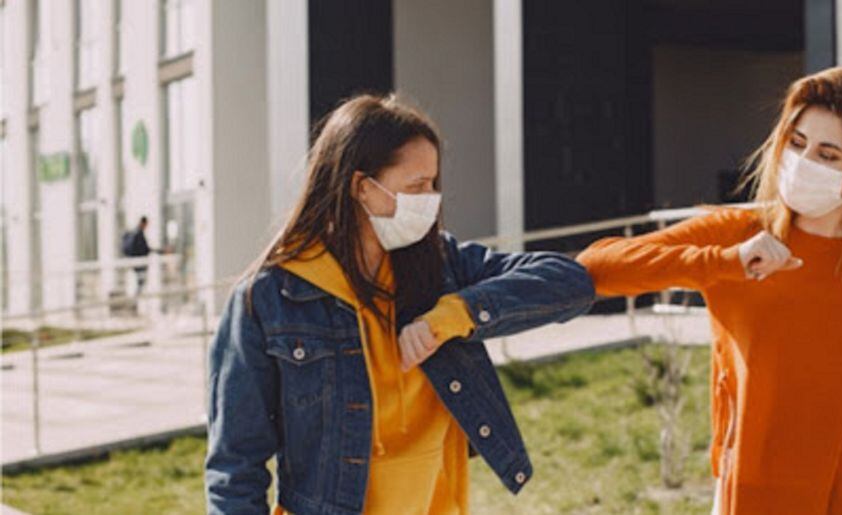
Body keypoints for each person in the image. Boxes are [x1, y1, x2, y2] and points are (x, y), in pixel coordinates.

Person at [577, 67, 842, 514]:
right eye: (797, 142)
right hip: (754, 487)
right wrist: (724, 263)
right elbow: (596, 267)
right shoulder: (736, 236)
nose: (803, 162)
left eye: (828, 154)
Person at [204, 94, 595, 514]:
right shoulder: (267, 298)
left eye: (433, 183)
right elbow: (234, 466)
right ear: (361, 188)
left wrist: (456, 314)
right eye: (417, 186)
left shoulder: (441, 267)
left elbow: (570, 282)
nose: (431, 199)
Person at [121, 216, 152, 294]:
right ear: (143, 223)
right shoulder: (138, 234)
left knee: (140, 283)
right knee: (140, 283)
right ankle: (135, 300)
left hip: (136, 263)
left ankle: (136, 300)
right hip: (139, 264)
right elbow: (145, 249)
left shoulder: (135, 232)